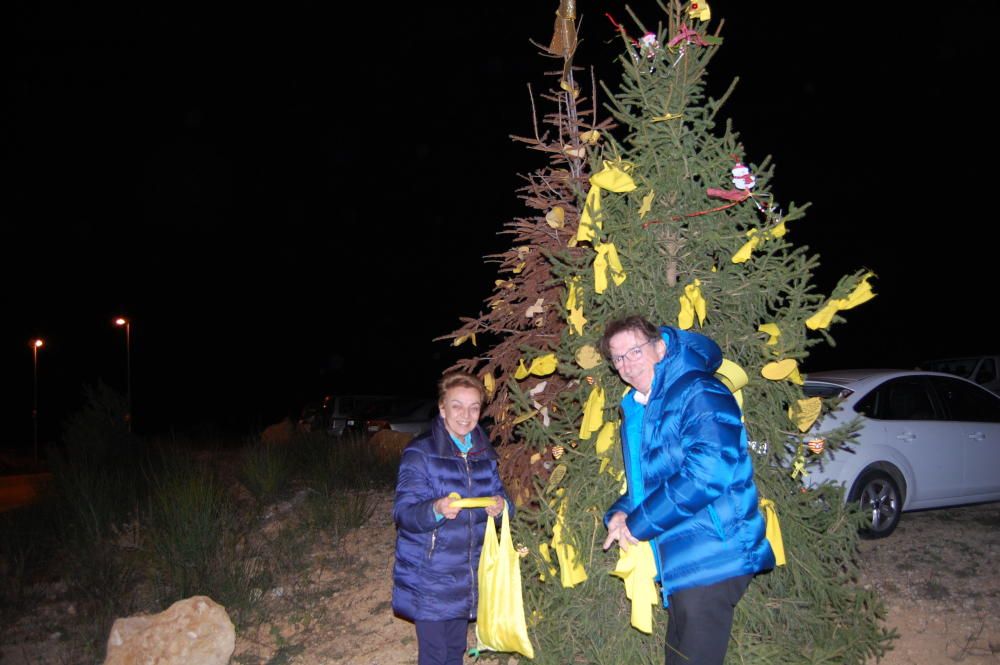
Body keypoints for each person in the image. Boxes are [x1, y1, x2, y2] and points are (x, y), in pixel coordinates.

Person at [599, 315, 774, 665]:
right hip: (685, 557)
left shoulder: (698, 390)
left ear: (660, 348)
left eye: (634, 351)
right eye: (617, 358)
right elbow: (653, 481)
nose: (626, 365)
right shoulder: (645, 406)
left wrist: (639, 524)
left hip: (715, 553)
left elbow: (708, 472)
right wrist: (621, 512)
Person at [392, 371, 511, 665]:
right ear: (442, 408)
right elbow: (404, 513)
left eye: (473, 407)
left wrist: (501, 508)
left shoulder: (485, 454)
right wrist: (437, 508)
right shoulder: (420, 452)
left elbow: (503, 499)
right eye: (457, 405)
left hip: (467, 573)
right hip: (430, 573)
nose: (465, 415)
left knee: (455, 649)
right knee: (434, 655)